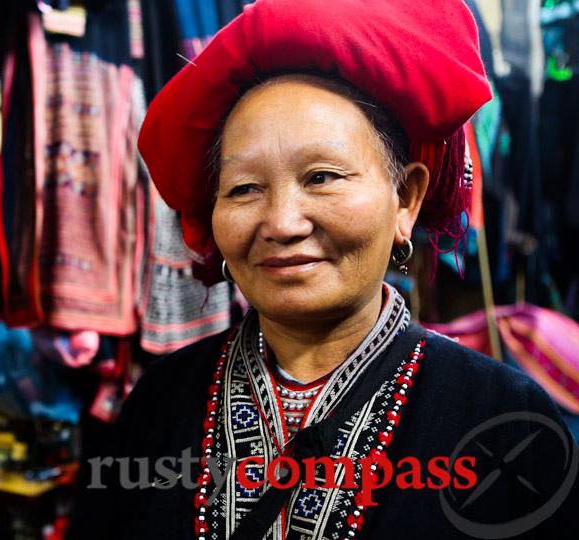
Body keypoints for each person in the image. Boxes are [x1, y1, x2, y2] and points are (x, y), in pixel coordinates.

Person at [66, 1, 579, 539]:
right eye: (244, 189)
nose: (282, 223)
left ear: (405, 199)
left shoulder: (506, 421)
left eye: (322, 177)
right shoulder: (159, 403)